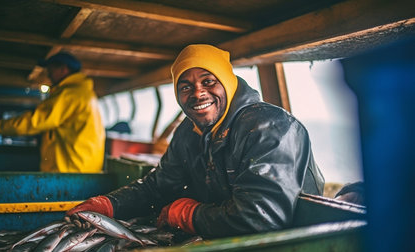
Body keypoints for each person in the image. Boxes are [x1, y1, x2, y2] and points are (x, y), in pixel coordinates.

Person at [67, 44, 324, 238]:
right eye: (186, 86)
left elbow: (262, 217)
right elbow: (158, 186)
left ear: (227, 83)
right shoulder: (188, 133)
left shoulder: (269, 127)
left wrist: (190, 214)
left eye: (208, 81)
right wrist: (110, 204)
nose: (198, 92)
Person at [0, 52, 105, 173]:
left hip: (70, 171)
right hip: (84, 169)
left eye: (51, 68)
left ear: (64, 69)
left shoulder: (69, 95)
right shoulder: (85, 93)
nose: (48, 74)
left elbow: (32, 123)